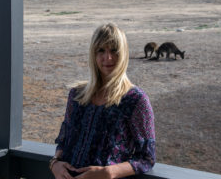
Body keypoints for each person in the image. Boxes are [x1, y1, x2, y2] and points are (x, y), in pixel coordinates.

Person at [50, 23, 155, 179]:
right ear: (93, 54)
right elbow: (64, 142)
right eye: (101, 50)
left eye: (114, 50)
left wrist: (109, 172)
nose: (108, 58)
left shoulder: (136, 100)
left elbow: (146, 158)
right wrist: (55, 163)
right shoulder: (77, 95)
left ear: (124, 54)